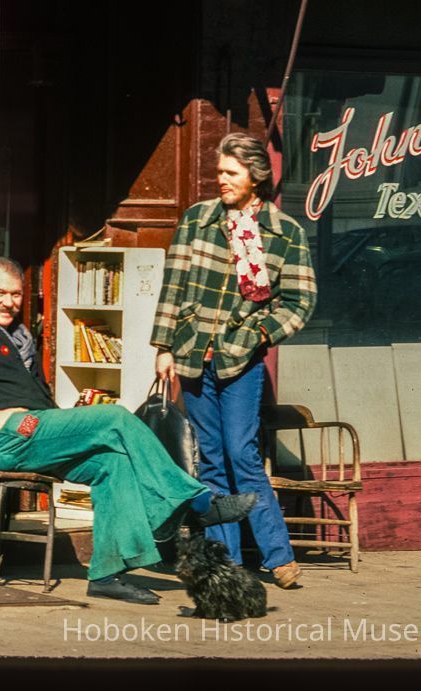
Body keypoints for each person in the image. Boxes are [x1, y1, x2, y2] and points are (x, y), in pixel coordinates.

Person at [0, 257, 258, 605]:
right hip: (3, 440)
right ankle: (197, 500)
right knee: (114, 417)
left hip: (39, 433)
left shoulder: (20, 336)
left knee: (114, 463)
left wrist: (62, 425)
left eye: (17, 294)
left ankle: (105, 574)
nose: (9, 301)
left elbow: (37, 399)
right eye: (0, 293)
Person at [151, 133, 317, 590]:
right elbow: (174, 286)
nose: (221, 181)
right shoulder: (197, 221)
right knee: (211, 462)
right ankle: (224, 560)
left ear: (255, 177)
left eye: (231, 173)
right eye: (219, 173)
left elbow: (300, 301)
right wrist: (164, 346)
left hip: (240, 361)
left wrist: (255, 334)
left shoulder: (284, 233)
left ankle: (277, 556)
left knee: (241, 453)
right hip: (192, 354)